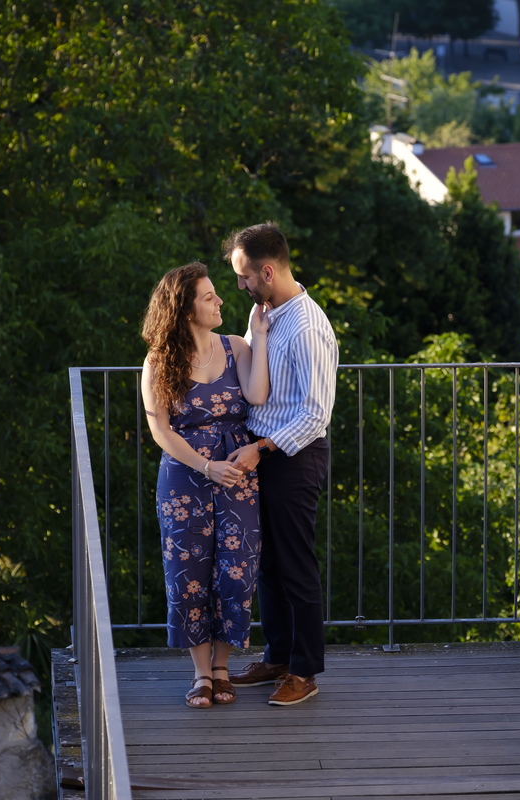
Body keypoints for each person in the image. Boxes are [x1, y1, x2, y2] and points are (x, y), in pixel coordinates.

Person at [140, 261, 270, 708]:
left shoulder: (237, 346)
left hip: (237, 475)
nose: (220, 301)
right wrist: (205, 466)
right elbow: (160, 430)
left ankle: (222, 667)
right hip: (184, 477)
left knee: (237, 570)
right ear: (184, 308)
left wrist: (261, 335)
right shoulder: (159, 361)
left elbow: (256, 395)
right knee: (188, 572)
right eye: (209, 296)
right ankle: (201, 673)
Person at [221, 222, 338, 707]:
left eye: (245, 276)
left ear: (267, 272)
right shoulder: (266, 314)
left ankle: (304, 672)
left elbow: (315, 414)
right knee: (267, 564)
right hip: (262, 452)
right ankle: (279, 657)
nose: (241, 286)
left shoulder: (309, 326)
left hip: (292, 456)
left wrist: (261, 448)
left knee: (295, 566)